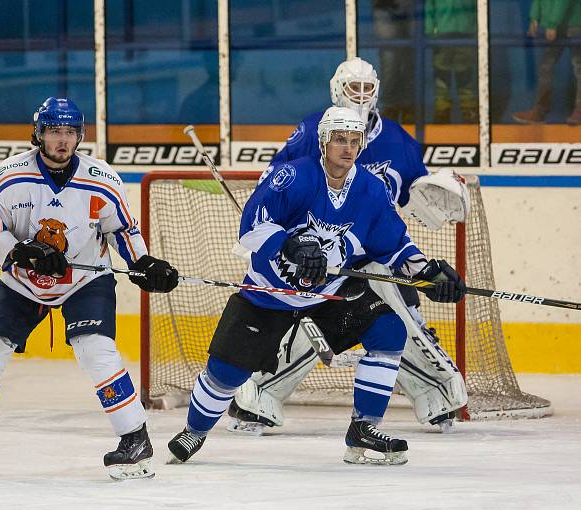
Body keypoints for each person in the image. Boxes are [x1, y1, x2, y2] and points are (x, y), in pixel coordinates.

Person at [166, 106, 467, 466]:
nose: (348, 147)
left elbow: (393, 244)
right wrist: (288, 244)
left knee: (388, 330)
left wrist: (428, 272)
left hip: (330, 294)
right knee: (226, 373)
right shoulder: (293, 176)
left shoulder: (370, 190)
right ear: (323, 141)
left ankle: (364, 428)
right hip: (271, 294)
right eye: (340, 139)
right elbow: (251, 226)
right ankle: (195, 431)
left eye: (355, 141)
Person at [0, 97, 179, 480]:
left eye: (69, 132)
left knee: (96, 350)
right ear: (39, 134)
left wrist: (143, 263)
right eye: (54, 131)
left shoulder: (101, 179)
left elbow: (122, 230)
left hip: (85, 279)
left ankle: (135, 438)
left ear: (80, 136)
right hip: (21, 283)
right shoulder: (8, 176)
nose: (62, 140)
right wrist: (19, 250)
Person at [227, 57, 470, 435]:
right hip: (314, 255)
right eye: (351, 89)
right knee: (318, 317)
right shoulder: (314, 130)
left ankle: (434, 392)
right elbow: (275, 181)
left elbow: (412, 202)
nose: (359, 96)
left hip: (373, 250)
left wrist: (425, 268)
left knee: (394, 316)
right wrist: (277, 240)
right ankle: (259, 391)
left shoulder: (398, 140)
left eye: (366, 89)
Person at [512, 0, 581, 125]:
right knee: (546, 66)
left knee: (579, 65)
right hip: (555, 26)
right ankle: (540, 111)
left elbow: (562, 2)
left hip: (572, 24)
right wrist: (534, 19)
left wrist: (552, 24)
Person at [425, 0, 478, 123]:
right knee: (442, 74)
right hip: (442, 34)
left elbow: (478, 6)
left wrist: (476, 29)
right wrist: (430, 31)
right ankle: (442, 110)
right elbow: (429, 6)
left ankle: (468, 109)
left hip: (466, 32)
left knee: (465, 73)